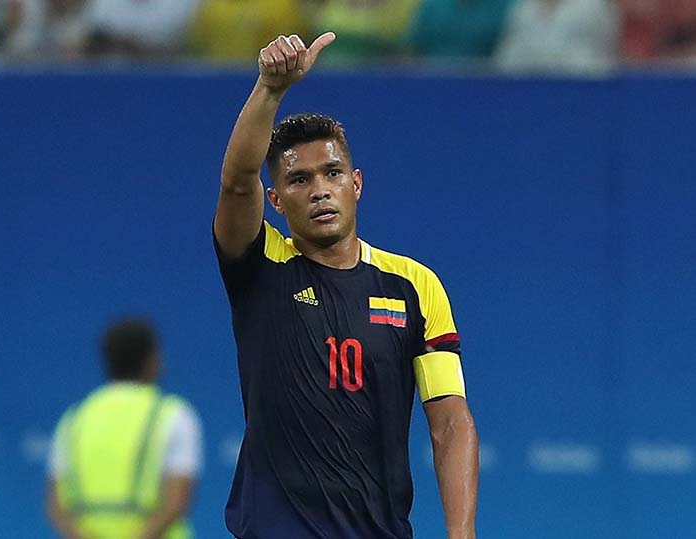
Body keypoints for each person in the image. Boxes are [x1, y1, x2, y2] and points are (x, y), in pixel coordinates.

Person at [213, 32, 478, 538]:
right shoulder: (261, 264)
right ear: (275, 199)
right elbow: (236, 182)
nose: (319, 191)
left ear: (355, 184)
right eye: (299, 180)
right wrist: (270, 89)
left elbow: (449, 422)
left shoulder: (415, 286)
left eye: (332, 173)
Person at [45, 319, 203, 539]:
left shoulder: (74, 419)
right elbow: (177, 501)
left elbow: (56, 506)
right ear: (152, 359)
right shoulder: (174, 415)